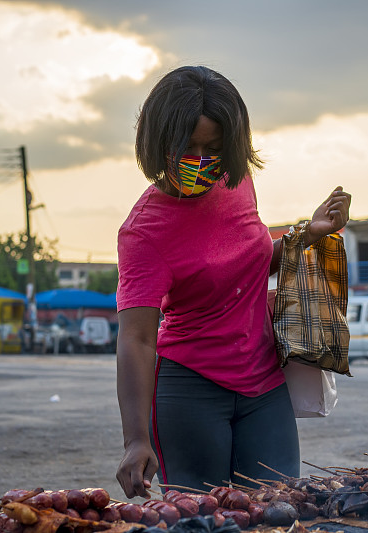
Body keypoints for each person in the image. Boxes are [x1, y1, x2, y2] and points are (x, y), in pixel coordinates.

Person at [115, 65, 351, 499]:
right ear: (158, 142)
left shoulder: (237, 184)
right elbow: (137, 339)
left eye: (215, 148)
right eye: (188, 147)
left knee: (279, 511)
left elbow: (250, 266)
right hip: (190, 393)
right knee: (203, 521)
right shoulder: (144, 231)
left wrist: (309, 233)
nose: (203, 161)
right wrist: (136, 439)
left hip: (264, 386)